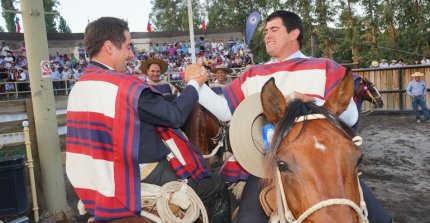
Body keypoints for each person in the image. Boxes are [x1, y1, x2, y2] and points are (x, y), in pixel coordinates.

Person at [190, 10, 392, 223]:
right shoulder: (252, 73)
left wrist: (310, 100)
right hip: (265, 166)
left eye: (274, 30)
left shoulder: (324, 67)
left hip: (324, 164)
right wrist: (195, 84)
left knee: (382, 220)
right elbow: (224, 110)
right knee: (248, 220)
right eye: (266, 31)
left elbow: (349, 116)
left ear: (294, 33)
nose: (267, 35)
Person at [66, 17, 231, 222]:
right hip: (139, 173)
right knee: (216, 189)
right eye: (127, 47)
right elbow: (175, 117)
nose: (131, 54)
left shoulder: (79, 87)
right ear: (109, 47)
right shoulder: (125, 86)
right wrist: (194, 84)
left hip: (94, 178)